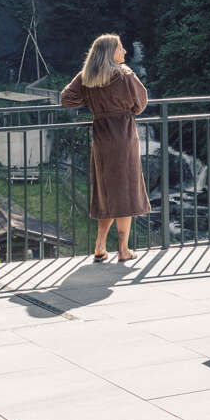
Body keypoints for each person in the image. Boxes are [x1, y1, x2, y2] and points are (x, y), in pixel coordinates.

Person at [60, 34, 150, 262]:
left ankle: (100, 246)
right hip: (123, 136)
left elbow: (66, 99)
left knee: (106, 191)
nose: (124, 52)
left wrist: (92, 104)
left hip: (101, 137)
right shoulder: (125, 74)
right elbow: (140, 104)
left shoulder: (87, 76)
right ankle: (123, 249)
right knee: (126, 193)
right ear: (111, 52)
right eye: (120, 48)